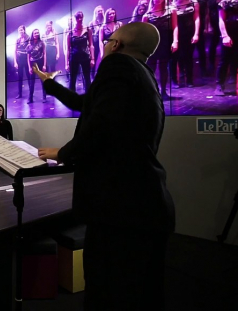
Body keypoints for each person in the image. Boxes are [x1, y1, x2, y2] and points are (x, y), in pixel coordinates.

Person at [34, 22, 175, 310]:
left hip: (120, 210)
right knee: (141, 293)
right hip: (144, 206)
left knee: (107, 291)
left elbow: (101, 126)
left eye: (108, 40)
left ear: (116, 45)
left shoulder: (117, 67)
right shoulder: (143, 75)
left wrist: (63, 152)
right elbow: (86, 104)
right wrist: (48, 82)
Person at [143, 0, 177, 100]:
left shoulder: (171, 11)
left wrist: (175, 41)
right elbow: (144, 32)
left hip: (166, 42)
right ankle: (152, 91)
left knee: (164, 67)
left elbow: (175, 27)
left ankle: (163, 92)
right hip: (152, 44)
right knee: (151, 68)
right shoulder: (147, 15)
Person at [171, 0, 200, 88]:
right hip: (175, 33)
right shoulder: (172, 5)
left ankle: (189, 80)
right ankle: (174, 80)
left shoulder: (193, 3)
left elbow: (197, 18)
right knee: (174, 58)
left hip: (189, 32)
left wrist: (196, 33)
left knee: (188, 57)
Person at [215, 0, 238, 96]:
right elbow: (221, 20)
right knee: (224, 61)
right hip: (230, 32)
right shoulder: (225, 2)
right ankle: (219, 85)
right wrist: (225, 35)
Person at [66, 11, 94, 93]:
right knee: (72, 79)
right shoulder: (70, 33)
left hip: (85, 56)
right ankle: (72, 98)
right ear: (75, 19)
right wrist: (66, 63)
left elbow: (91, 45)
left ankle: (88, 97)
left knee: (87, 78)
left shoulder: (87, 29)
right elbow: (68, 49)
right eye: (78, 17)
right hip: (74, 57)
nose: (80, 19)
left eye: (81, 17)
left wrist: (92, 58)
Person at [27, 28, 47, 103]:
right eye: (35, 33)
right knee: (32, 82)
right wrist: (29, 67)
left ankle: (44, 97)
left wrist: (44, 65)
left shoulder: (42, 42)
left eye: (38, 33)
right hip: (33, 63)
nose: (37, 34)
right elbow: (28, 57)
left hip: (40, 62)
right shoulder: (29, 44)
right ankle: (30, 98)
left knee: (43, 81)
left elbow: (44, 53)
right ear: (33, 34)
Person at [14, 25, 30, 99]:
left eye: (22, 30)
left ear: (24, 30)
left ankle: (31, 93)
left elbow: (30, 49)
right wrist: (15, 62)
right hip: (19, 60)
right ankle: (19, 93)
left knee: (28, 76)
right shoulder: (17, 40)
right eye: (19, 30)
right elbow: (14, 51)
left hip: (26, 59)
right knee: (20, 77)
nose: (21, 31)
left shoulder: (28, 38)